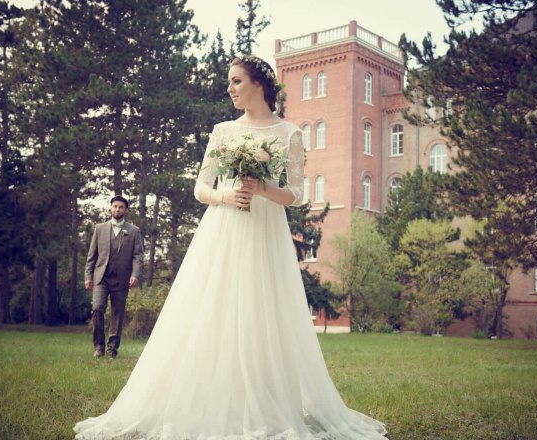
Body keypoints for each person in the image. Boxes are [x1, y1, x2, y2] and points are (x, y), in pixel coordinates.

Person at [74, 56, 387, 439]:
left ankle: (263, 404)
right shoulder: (223, 131)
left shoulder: (289, 133)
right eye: (229, 82)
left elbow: (298, 194)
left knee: (260, 312)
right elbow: (200, 187)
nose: (230, 88)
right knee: (213, 309)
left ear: (258, 84)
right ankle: (207, 399)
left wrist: (261, 189)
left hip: (265, 233)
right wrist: (226, 197)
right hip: (223, 229)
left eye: (236, 81)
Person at [84, 195, 144, 358]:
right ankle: (98, 347)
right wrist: (88, 276)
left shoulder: (134, 231)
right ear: (111, 208)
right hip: (101, 277)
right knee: (97, 309)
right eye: (115, 206)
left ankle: (112, 349)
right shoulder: (99, 228)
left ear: (126, 210)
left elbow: (138, 256)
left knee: (118, 313)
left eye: (121, 207)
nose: (117, 209)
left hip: (122, 278)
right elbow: (92, 255)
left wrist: (135, 274)